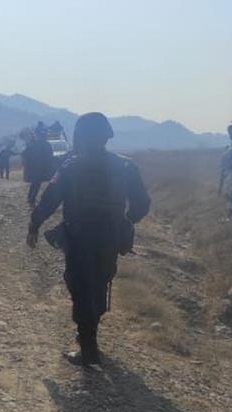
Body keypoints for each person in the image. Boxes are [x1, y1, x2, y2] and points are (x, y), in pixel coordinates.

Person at [27, 113, 151, 366]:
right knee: (100, 283)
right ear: (107, 136)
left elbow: (50, 200)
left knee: (80, 288)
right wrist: (126, 221)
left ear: (80, 138)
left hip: (79, 237)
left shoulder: (71, 166)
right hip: (109, 238)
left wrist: (34, 225)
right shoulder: (126, 166)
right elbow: (141, 204)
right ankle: (89, 340)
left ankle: (88, 348)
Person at [22, 129, 55, 207]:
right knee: (36, 184)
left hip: (35, 168)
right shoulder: (46, 145)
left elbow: (24, 155)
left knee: (35, 183)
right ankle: (31, 199)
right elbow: (50, 157)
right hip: (40, 168)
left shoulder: (33, 144)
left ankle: (31, 198)